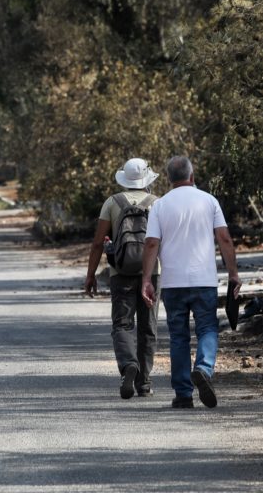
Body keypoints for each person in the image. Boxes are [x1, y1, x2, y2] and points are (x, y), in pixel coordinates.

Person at [141, 156, 241, 409]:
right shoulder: (209, 201)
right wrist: (233, 275)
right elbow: (225, 239)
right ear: (192, 176)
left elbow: (152, 243)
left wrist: (146, 280)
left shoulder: (160, 206)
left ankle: (183, 394)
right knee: (207, 328)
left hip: (173, 282)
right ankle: (204, 368)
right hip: (204, 279)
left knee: (178, 337)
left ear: (169, 179)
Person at [85, 158, 160, 399]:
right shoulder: (157, 203)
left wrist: (91, 275)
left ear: (124, 180)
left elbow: (98, 243)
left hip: (121, 273)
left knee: (122, 324)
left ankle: (129, 365)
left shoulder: (112, 202)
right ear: (147, 179)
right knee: (148, 327)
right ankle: (145, 382)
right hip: (152, 273)